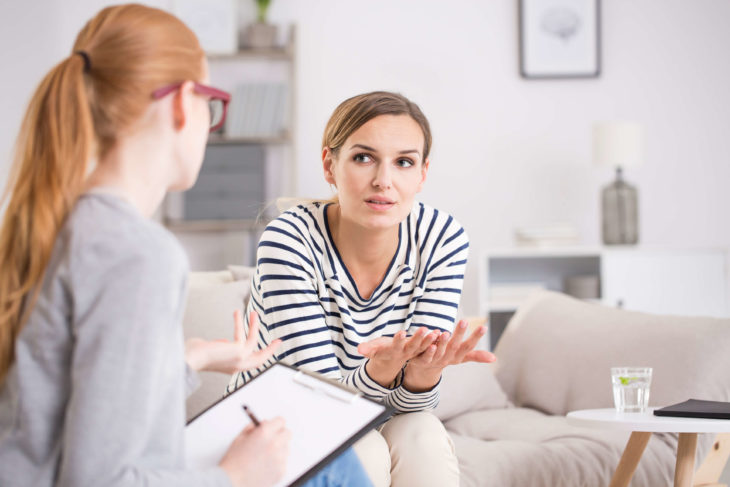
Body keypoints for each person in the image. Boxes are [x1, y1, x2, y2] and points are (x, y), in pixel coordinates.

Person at [0, 4, 369, 487]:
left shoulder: (55, 223)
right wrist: (236, 477)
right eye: (212, 103)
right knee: (329, 463)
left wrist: (191, 357)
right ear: (182, 102)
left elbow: (72, 405)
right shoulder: (136, 252)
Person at [229, 91, 497, 486]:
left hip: (370, 414)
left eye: (403, 162)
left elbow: (414, 406)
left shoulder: (441, 238)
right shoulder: (289, 239)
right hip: (275, 422)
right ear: (329, 165)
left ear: (422, 174)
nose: (383, 181)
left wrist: (423, 373)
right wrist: (383, 369)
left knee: (422, 433)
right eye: (363, 158)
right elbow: (320, 403)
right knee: (364, 448)